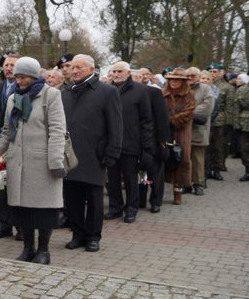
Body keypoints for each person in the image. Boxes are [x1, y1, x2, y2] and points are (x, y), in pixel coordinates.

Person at [0, 57, 65, 264]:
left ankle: (43, 250)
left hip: (43, 163)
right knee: (23, 210)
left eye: (23, 77)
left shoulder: (51, 95)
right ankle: (28, 248)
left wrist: (56, 161)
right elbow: (7, 131)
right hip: (18, 162)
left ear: (33, 76)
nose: (19, 81)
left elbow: (58, 130)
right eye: (17, 77)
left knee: (43, 210)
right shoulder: (14, 98)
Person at [62, 54, 122, 252]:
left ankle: (93, 236)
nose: (74, 71)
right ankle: (77, 234)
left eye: (79, 67)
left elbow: (116, 124)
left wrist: (112, 152)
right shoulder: (66, 92)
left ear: (92, 69)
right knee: (72, 199)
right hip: (69, 155)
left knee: (95, 200)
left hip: (94, 154)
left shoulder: (107, 92)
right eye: (72, 67)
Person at [102, 62, 154, 224]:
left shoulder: (140, 90)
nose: (116, 74)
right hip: (111, 143)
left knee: (131, 179)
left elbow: (146, 119)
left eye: (120, 71)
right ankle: (115, 207)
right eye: (114, 71)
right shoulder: (107, 90)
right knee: (113, 179)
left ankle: (131, 209)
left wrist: (146, 146)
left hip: (131, 143)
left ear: (128, 73)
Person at [0, 54, 20, 239]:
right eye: (6, 65)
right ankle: (4, 224)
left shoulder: (25, 89)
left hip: (17, 145)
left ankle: (21, 227)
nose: (9, 68)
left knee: (16, 186)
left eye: (13, 65)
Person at [138, 73, 171, 213]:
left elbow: (162, 116)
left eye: (140, 75)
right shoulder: (128, 92)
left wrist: (162, 140)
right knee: (141, 173)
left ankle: (156, 201)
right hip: (137, 141)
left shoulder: (154, 92)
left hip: (154, 140)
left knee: (155, 173)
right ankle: (141, 200)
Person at [163, 68, 196, 204]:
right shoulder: (162, 93)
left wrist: (170, 120)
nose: (173, 82)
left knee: (181, 161)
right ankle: (148, 190)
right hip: (164, 132)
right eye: (171, 79)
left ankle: (178, 193)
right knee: (158, 161)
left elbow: (188, 113)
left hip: (181, 132)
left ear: (183, 82)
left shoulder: (190, 95)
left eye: (176, 80)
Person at [184, 67, 216, 195]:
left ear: (198, 76)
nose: (191, 78)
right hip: (183, 129)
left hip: (198, 128)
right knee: (185, 158)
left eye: (193, 76)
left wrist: (187, 113)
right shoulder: (183, 88)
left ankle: (198, 184)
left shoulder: (205, 88)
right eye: (189, 76)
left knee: (197, 158)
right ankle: (186, 183)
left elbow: (208, 106)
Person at [207, 64, 235, 180]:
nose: (213, 74)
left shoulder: (227, 87)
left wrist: (229, 123)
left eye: (215, 71)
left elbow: (230, 107)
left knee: (218, 146)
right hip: (206, 120)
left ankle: (217, 169)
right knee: (207, 147)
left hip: (220, 120)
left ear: (220, 73)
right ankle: (207, 169)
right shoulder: (204, 86)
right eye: (210, 71)